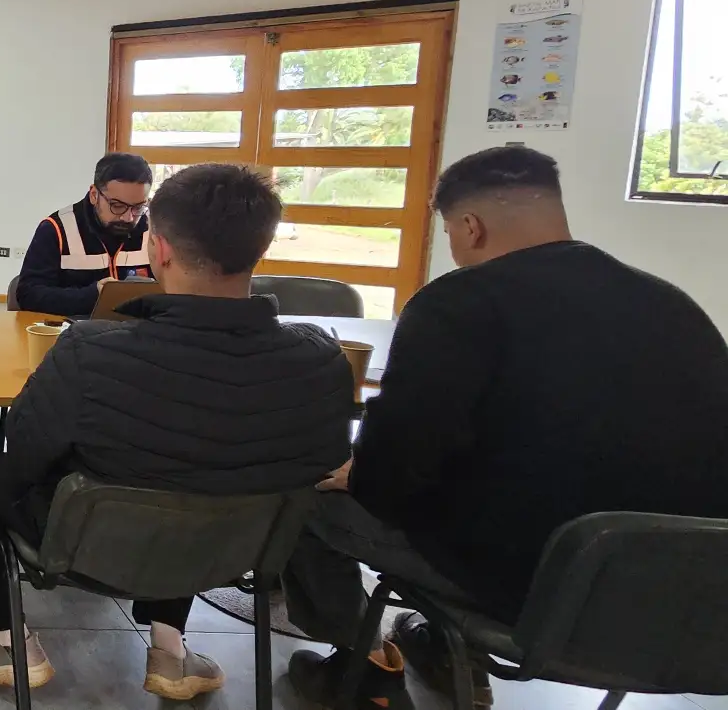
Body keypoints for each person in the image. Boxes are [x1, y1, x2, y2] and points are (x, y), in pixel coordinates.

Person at [284, 145, 728, 710]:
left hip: (534, 587)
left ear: (470, 226)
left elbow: (395, 472)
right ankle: (445, 651)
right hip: (688, 596)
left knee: (304, 493)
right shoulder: (672, 304)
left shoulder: (457, 304)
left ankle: (363, 669)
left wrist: (361, 473)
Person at [0, 164, 354, 699]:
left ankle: (7, 641)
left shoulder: (89, 353)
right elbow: (320, 468)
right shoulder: (321, 361)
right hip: (232, 553)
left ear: (160, 249)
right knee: (205, 474)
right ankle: (171, 650)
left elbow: (24, 459)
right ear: (260, 249)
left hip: (90, 547)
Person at [14, 152, 154, 316]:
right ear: (94, 195)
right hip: (72, 328)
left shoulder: (154, 229)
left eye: (138, 207)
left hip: (138, 328)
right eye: (117, 206)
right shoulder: (56, 229)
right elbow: (29, 295)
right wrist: (93, 296)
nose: (128, 217)